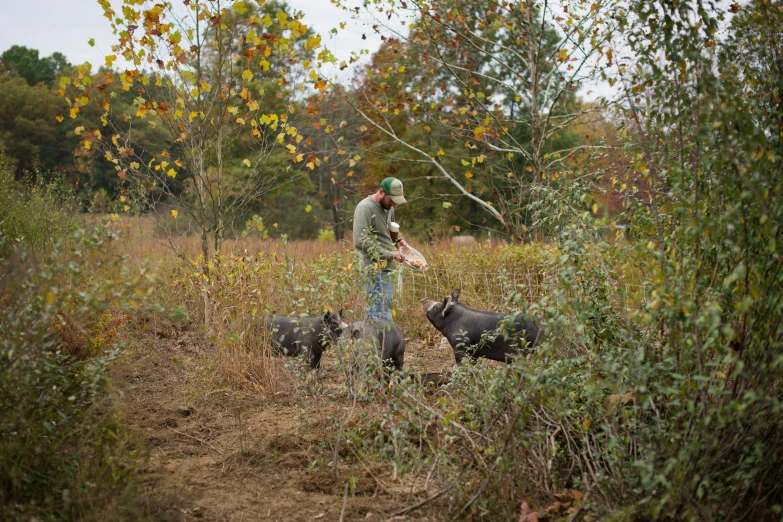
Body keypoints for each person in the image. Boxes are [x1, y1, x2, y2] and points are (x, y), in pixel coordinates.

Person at [352, 177, 410, 321]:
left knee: (385, 310)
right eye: (391, 200)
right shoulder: (365, 208)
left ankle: (381, 341)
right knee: (379, 313)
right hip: (374, 268)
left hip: (387, 267)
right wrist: (389, 254)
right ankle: (380, 342)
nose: (393, 204)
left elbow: (390, 230)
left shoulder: (388, 207)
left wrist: (399, 240)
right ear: (381, 192)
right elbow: (361, 241)